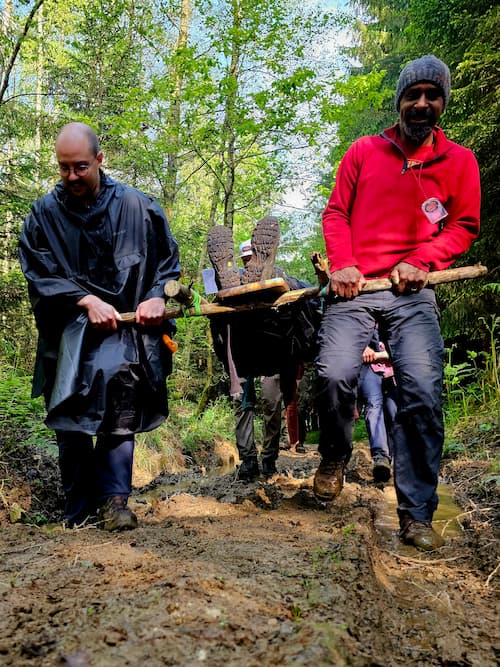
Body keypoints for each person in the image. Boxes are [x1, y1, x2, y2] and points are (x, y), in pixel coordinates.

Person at [314, 55, 480, 550]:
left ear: (442, 104)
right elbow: (336, 212)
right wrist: (342, 264)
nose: (422, 103)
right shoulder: (364, 151)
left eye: (432, 95)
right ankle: (335, 455)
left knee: (423, 392)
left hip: (413, 292)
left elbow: (464, 226)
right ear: (400, 102)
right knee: (332, 374)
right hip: (354, 288)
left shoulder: (460, 162)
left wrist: (424, 258)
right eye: (414, 95)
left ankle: (416, 514)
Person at [19, 122, 181, 531]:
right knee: (69, 412)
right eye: (64, 168)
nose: (72, 176)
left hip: (123, 332)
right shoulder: (43, 214)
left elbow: (166, 264)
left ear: (99, 160)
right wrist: (85, 300)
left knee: (119, 395)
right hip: (69, 331)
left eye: (80, 167)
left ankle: (114, 502)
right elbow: (38, 271)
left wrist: (158, 295)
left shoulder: (136, 206)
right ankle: (78, 509)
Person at [208, 218, 319, 481]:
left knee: (271, 403)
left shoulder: (277, 274)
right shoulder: (227, 287)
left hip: (272, 349)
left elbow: (302, 298)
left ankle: (268, 458)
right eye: (246, 259)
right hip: (244, 350)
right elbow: (216, 324)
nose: (248, 263)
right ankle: (249, 460)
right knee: (244, 405)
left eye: (252, 258)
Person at [357, 329, 397, 483]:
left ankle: (397, 460)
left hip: (395, 368)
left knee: (394, 412)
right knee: (374, 407)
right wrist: (362, 347)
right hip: (369, 367)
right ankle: (381, 458)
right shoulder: (363, 310)